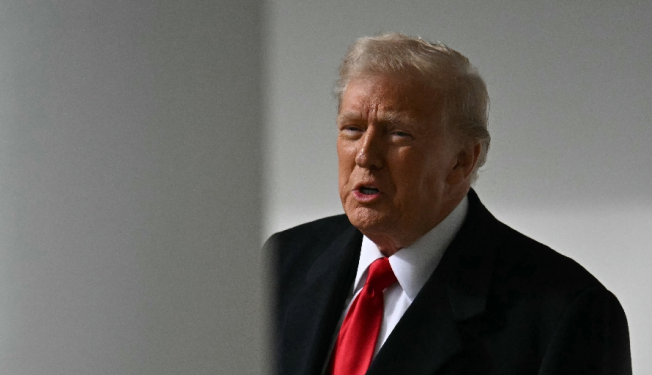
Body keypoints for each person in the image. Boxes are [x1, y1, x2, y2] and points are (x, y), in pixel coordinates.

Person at [266, 33, 631, 375]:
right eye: (353, 129)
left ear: (462, 161)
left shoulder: (567, 312)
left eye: (398, 133)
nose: (365, 155)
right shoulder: (284, 260)